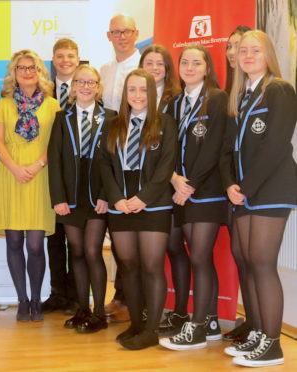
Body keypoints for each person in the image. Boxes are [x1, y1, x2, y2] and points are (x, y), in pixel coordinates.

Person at [220, 30, 297, 367]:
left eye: (256, 50)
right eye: (243, 50)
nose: (248, 55)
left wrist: (245, 187)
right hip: (243, 191)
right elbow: (227, 150)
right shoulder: (239, 95)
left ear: (268, 54)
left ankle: (273, 343)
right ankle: (259, 333)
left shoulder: (279, 89)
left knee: (263, 264)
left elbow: (276, 145)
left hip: (271, 189)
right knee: (249, 262)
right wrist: (229, 185)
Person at [100, 68, 177, 350]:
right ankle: (136, 324)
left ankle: (152, 329)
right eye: (132, 89)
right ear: (125, 93)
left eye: (143, 89)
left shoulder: (166, 123)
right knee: (129, 265)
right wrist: (116, 197)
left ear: (152, 92)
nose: (137, 95)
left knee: (151, 266)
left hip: (153, 201)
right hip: (121, 201)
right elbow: (104, 166)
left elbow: (167, 165)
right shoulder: (114, 124)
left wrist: (144, 198)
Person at [159, 44, 228, 350]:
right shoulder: (174, 104)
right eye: (184, 62)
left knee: (200, 256)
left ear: (207, 67)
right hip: (179, 190)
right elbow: (167, 148)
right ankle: (210, 321)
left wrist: (190, 185)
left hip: (207, 191)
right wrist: (175, 179)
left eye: (196, 62)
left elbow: (215, 147)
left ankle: (197, 327)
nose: (189, 67)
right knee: (195, 256)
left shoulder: (217, 98)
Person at [0, 49, 60, 322]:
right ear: (14, 73)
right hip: (10, 174)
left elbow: (56, 144)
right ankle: (22, 301)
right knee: (14, 241)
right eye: (22, 68)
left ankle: (36, 299)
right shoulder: (3, 104)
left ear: (40, 72)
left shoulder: (53, 105)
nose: (27, 72)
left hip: (40, 176)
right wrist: (16, 168)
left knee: (34, 244)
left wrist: (36, 165)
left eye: (32, 67)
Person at [48, 64, 116, 333]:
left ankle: (99, 313)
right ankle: (82, 310)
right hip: (70, 197)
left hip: (98, 197)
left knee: (91, 251)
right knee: (75, 252)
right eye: (81, 82)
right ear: (73, 87)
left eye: (91, 82)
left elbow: (114, 162)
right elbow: (54, 160)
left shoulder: (110, 118)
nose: (86, 86)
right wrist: (58, 197)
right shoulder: (61, 117)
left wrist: (106, 196)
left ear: (98, 87)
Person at [139, 44, 190, 336]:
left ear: (168, 69)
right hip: (144, 189)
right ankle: (150, 308)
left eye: (160, 63)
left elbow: (174, 148)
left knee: (173, 247)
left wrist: (172, 178)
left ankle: (181, 312)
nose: (155, 67)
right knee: (149, 255)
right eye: (149, 62)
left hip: (173, 186)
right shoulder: (136, 100)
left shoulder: (176, 100)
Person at [100, 13, 141, 322]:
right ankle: (121, 295)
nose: (122, 36)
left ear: (136, 33)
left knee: (134, 237)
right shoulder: (104, 70)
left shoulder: (143, 69)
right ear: (108, 36)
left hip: (138, 155)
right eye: (116, 32)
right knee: (118, 234)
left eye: (126, 31)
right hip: (113, 150)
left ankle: (132, 300)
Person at [42, 38, 80, 315]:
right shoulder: (43, 93)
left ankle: (78, 294)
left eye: (70, 55)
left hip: (79, 178)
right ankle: (58, 293)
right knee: (54, 239)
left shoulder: (88, 90)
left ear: (78, 59)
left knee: (77, 242)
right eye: (60, 56)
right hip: (50, 174)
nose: (65, 60)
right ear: (53, 61)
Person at [223, 25, 254, 344]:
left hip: (251, 187)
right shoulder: (230, 88)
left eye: (240, 46)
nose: (234, 52)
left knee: (251, 256)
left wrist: (242, 185)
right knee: (239, 253)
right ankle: (253, 320)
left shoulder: (260, 88)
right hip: (230, 184)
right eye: (230, 47)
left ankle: (258, 322)